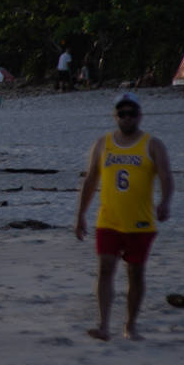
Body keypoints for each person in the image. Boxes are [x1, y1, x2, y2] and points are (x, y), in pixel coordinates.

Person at [73, 94, 173, 340]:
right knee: (105, 269)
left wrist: (165, 202)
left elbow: (166, 176)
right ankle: (104, 325)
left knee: (135, 273)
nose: (127, 118)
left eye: (131, 113)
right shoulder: (103, 144)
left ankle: (131, 325)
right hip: (109, 220)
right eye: (122, 114)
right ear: (115, 116)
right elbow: (90, 180)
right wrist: (81, 215)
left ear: (139, 116)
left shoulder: (152, 144)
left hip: (141, 222)